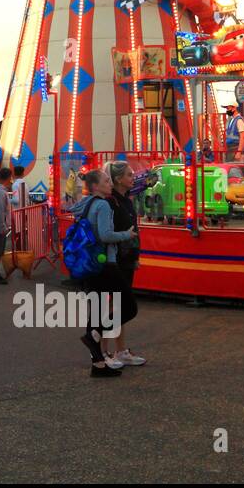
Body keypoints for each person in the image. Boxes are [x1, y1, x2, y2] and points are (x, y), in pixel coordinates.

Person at [68, 169, 137, 377]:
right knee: (129, 307)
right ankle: (95, 335)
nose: (110, 184)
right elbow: (105, 235)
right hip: (106, 263)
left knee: (96, 311)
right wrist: (127, 234)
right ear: (96, 186)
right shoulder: (103, 205)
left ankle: (98, 365)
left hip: (88, 264)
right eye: (106, 181)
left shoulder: (85, 205)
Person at [104, 161, 145, 365]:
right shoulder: (110, 203)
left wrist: (136, 256)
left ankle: (120, 350)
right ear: (118, 179)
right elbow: (107, 232)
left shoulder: (127, 201)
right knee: (119, 304)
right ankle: (101, 347)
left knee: (119, 304)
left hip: (127, 257)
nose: (133, 178)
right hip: (115, 259)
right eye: (129, 175)